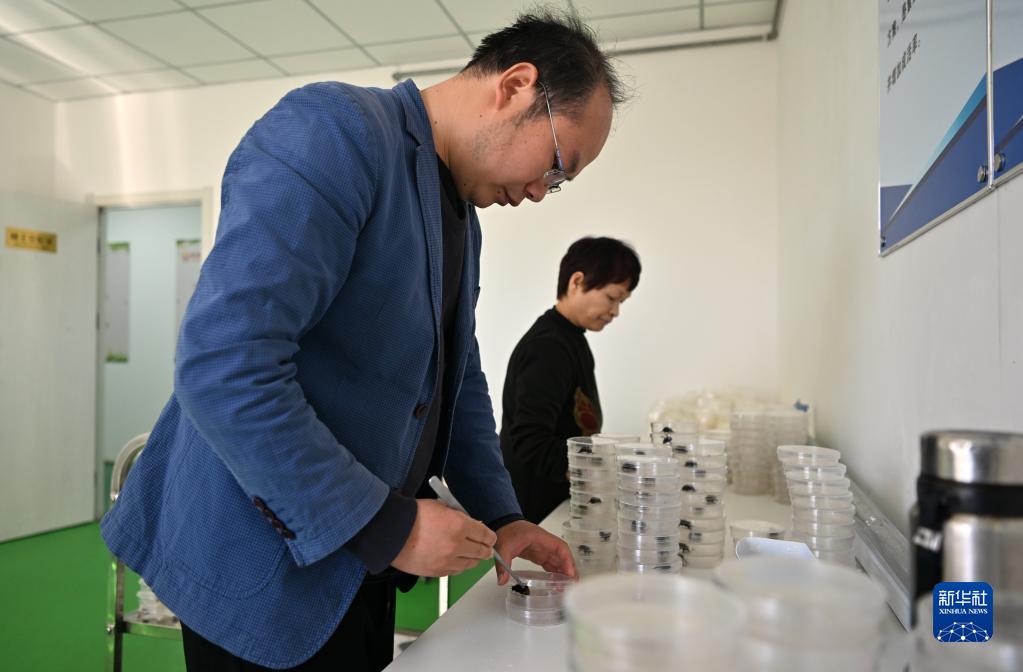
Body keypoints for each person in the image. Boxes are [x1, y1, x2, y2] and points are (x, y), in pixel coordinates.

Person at [99, 10, 627, 672]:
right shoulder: (334, 133)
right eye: (555, 166)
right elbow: (225, 365)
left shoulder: (461, 213)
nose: (540, 193)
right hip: (259, 556)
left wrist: (503, 516)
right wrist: (384, 524)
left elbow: (454, 376)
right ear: (516, 85)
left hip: (360, 566)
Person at [501, 237, 641, 523]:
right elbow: (530, 441)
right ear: (577, 281)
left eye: (621, 302)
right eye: (612, 298)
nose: (616, 312)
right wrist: (600, 469)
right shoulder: (548, 347)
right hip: (537, 512)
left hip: (560, 502)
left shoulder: (572, 338)